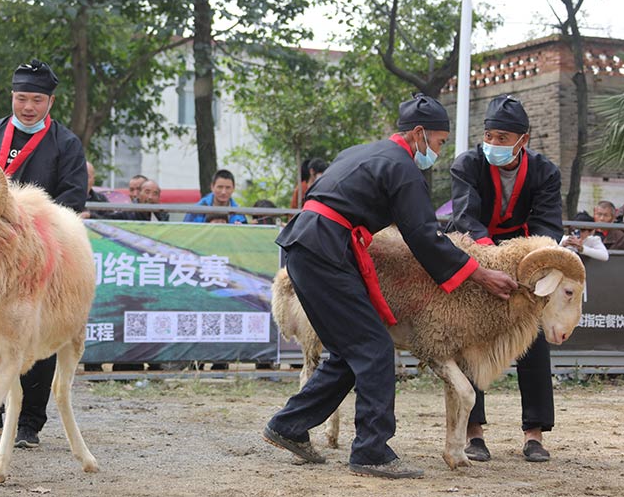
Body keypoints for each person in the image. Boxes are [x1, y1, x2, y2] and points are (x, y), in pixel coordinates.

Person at [263, 94, 516, 479]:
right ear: (418, 133)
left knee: (351, 351)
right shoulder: (403, 168)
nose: (438, 150)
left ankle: (289, 426)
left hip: (307, 246)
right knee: (374, 346)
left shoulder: (362, 151)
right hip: (325, 250)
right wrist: (480, 274)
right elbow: (425, 238)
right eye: (438, 142)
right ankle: (371, 451)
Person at [0, 58, 87, 449]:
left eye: (37, 99)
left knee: (37, 331)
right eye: (22, 98)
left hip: (41, 253)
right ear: (12, 97)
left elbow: (73, 197)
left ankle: (30, 423)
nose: (28, 107)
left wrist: (31, 222)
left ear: (50, 102)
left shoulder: (65, 144)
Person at [447, 94, 563, 463]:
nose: (494, 144)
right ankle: (473, 432)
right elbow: (465, 215)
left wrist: (521, 261)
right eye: (490, 136)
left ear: (522, 140)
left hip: (526, 262)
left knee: (532, 339)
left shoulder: (546, 172)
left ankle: (534, 433)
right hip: (477, 258)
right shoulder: (467, 164)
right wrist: (489, 259)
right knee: (470, 340)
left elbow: (548, 224)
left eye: (502, 138)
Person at [183, 169, 247, 224]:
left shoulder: (239, 214)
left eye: (228, 188)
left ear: (233, 188)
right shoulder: (196, 210)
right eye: (220, 187)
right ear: (212, 187)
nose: (223, 192)